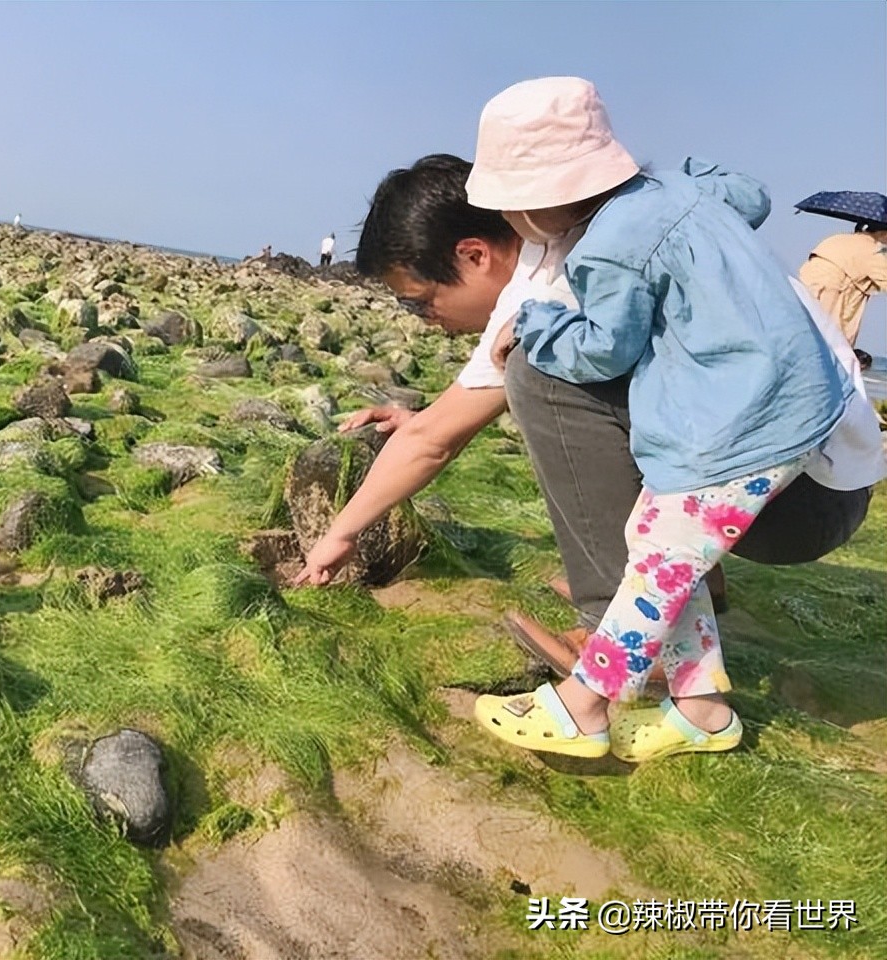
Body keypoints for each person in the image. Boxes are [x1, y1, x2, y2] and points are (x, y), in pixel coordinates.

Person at [293, 144, 882, 761]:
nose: (423, 320)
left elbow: (436, 440)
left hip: (791, 486)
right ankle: (697, 676)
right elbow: (438, 424)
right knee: (558, 380)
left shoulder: (575, 272)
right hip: (812, 471)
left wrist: (340, 533)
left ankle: (611, 652)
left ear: (474, 253)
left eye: (419, 300)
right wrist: (425, 418)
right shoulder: (620, 225)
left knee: (537, 374)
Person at [459, 76, 877, 761]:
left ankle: (583, 705)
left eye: (510, 211)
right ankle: (702, 711)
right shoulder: (686, 194)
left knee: (657, 564)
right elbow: (753, 196)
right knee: (660, 543)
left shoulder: (607, 248)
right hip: (800, 404)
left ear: (542, 202)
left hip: (745, 422)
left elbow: (602, 350)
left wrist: (536, 321)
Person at [798, 221, 887, 349]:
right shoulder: (871, 249)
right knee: (831, 346)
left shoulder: (835, 239)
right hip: (832, 292)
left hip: (805, 286)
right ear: (882, 233)